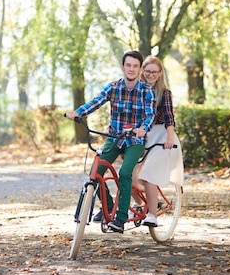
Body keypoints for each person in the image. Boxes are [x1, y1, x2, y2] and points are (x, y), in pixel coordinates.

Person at [65, 50, 156, 233]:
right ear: (123, 67)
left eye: (135, 66)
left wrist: (142, 129)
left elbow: (150, 115)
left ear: (139, 69)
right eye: (128, 65)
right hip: (114, 138)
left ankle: (120, 218)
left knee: (125, 173)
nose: (131, 69)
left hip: (135, 140)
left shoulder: (147, 91)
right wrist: (78, 113)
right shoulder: (113, 87)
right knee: (95, 172)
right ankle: (108, 205)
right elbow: (96, 102)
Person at [132, 55, 184, 227]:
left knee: (149, 174)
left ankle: (152, 215)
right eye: (147, 71)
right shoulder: (136, 90)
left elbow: (169, 117)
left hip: (161, 135)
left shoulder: (164, 93)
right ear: (142, 71)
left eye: (154, 72)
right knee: (128, 174)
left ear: (161, 73)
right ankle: (140, 205)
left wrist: (170, 138)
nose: (150, 75)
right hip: (143, 135)